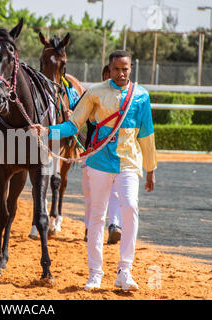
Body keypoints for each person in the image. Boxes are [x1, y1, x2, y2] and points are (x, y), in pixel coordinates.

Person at [30, 50, 157, 291]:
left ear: (131, 69)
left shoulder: (140, 96)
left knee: (130, 209)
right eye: (117, 69)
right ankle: (95, 272)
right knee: (97, 217)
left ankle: (124, 270)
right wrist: (47, 131)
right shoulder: (95, 93)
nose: (121, 73)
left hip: (129, 162)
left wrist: (150, 168)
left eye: (125, 69)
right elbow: (72, 125)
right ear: (109, 69)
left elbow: (147, 134)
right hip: (99, 162)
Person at [83, 65, 122, 245]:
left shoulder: (125, 99)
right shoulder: (92, 95)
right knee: (91, 193)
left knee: (114, 192)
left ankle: (114, 225)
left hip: (116, 152)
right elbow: (75, 119)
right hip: (92, 151)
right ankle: (89, 227)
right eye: (109, 75)